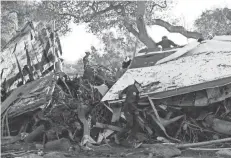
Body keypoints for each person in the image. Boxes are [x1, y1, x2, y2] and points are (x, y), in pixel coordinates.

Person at [115, 80, 143, 145]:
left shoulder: (131, 87)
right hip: (129, 109)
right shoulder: (133, 90)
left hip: (131, 108)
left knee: (136, 124)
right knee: (130, 124)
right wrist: (135, 110)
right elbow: (131, 102)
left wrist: (121, 95)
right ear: (136, 83)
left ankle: (131, 139)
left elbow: (124, 91)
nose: (140, 86)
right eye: (139, 84)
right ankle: (118, 136)